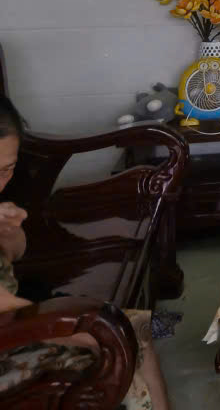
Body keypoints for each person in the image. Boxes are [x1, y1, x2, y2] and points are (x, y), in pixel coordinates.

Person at [0, 97, 170, 410]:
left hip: (16, 321)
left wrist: (8, 232)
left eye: (6, 169)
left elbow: (15, 254)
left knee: (137, 330)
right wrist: (88, 333)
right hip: (9, 339)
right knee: (115, 353)